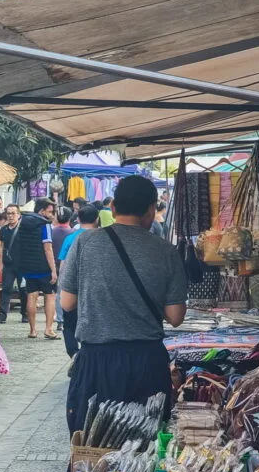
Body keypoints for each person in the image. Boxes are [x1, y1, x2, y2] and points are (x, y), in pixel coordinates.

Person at [60, 175, 187, 439]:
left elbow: (67, 303)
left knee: (93, 447)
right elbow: (175, 317)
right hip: (146, 362)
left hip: (97, 361)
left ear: (113, 207)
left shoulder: (85, 242)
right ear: (152, 209)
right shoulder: (166, 251)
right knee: (143, 449)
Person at [12, 198, 58, 340]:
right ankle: (48, 329)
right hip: (43, 266)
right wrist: (53, 269)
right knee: (49, 296)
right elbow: (48, 248)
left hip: (27, 266)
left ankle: (32, 330)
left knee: (31, 296)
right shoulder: (44, 225)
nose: (52, 215)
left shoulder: (22, 222)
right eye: (50, 211)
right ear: (42, 211)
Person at [58, 205, 100, 358]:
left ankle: (74, 354)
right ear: (97, 219)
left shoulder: (70, 238)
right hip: (95, 289)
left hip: (72, 289)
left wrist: (62, 286)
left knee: (69, 324)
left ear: (78, 219)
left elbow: (63, 265)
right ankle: (88, 354)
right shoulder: (102, 237)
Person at [0, 204, 27, 324]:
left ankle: (24, 313)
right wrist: (0, 264)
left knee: (23, 290)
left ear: (19, 215)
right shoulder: (3, 229)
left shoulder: (23, 228)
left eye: (13, 213)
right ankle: (2, 315)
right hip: (8, 264)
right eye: (8, 213)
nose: (10, 216)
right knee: (6, 289)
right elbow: (1, 246)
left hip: (22, 265)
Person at [51, 207, 74, 331]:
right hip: (70, 267)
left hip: (54, 267)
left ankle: (60, 320)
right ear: (70, 218)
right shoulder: (73, 234)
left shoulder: (52, 232)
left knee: (58, 294)